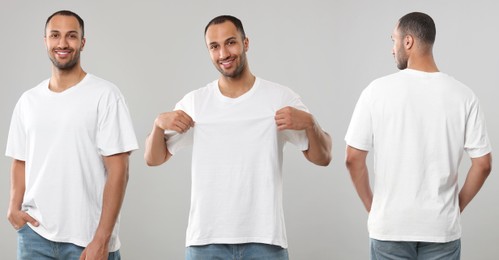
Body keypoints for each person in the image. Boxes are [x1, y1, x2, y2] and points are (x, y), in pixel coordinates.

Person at [144, 15, 332, 260]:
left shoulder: (278, 98)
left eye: (230, 42)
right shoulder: (195, 103)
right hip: (206, 241)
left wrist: (310, 123)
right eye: (214, 46)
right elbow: (154, 159)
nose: (223, 53)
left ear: (246, 43)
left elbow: (324, 157)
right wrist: (158, 125)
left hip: (265, 241)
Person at [345, 12, 492, 259]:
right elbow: (483, 164)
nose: (392, 49)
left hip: (390, 228)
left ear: (408, 41)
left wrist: (375, 209)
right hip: (441, 229)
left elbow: (352, 158)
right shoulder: (464, 96)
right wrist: (456, 207)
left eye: (394, 40)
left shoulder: (376, 91)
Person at [6, 10, 138, 260]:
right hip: (35, 236)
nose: (63, 43)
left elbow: (119, 169)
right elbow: (20, 160)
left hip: (88, 239)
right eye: (55, 35)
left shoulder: (105, 95)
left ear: (82, 43)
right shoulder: (28, 101)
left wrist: (102, 239)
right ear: (45, 41)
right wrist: (13, 206)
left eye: (71, 36)